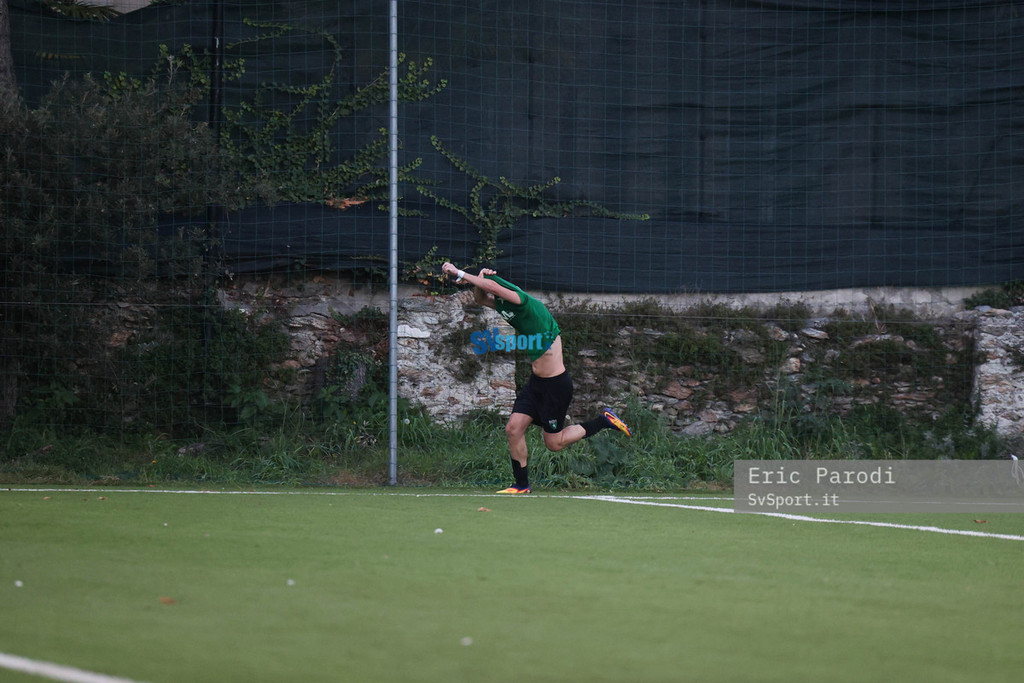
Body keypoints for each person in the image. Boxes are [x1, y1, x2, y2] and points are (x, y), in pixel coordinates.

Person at [440, 262, 632, 493]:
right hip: (536, 384)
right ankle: (521, 485)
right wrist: (479, 280)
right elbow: (481, 299)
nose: (494, 293)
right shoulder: (505, 305)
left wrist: (461, 273)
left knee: (554, 444)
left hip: (556, 386)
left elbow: (493, 287)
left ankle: (603, 421)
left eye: (494, 289)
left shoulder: (523, 301)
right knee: (513, 429)